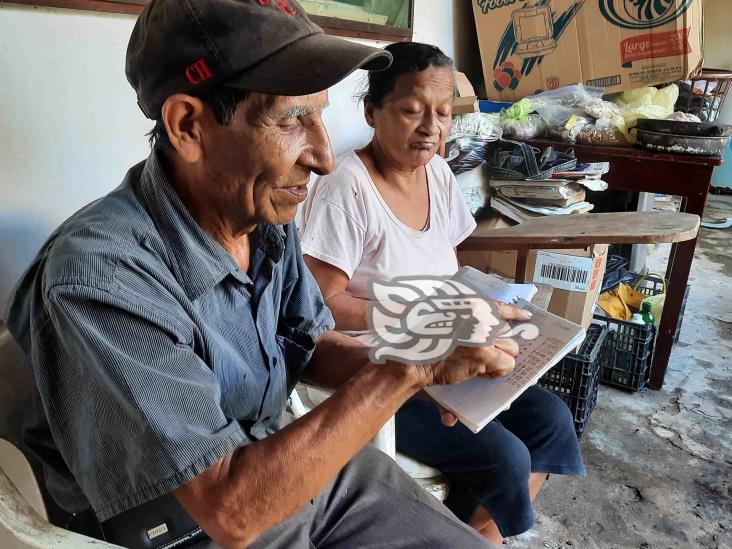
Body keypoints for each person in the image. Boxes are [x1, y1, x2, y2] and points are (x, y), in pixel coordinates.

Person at [3, 2, 532, 548]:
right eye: (290, 120)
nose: (324, 156)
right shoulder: (104, 277)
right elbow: (228, 512)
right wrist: (403, 376)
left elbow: (309, 343)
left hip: (278, 458)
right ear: (189, 126)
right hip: (179, 525)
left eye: (320, 115)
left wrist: (420, 361)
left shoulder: (262, 220)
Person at [300, 41, 585, 545]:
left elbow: (449, 267)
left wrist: (491, 306)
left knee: (552, 421)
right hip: (378, 368)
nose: (431, 127)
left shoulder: (436, 171)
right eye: (411, 111)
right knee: (506, 456)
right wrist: (431, 317)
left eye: (444, 113)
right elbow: (323, 306)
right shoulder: (347, 187)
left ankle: (472, 538)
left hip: (448, 351)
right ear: (372, 111)